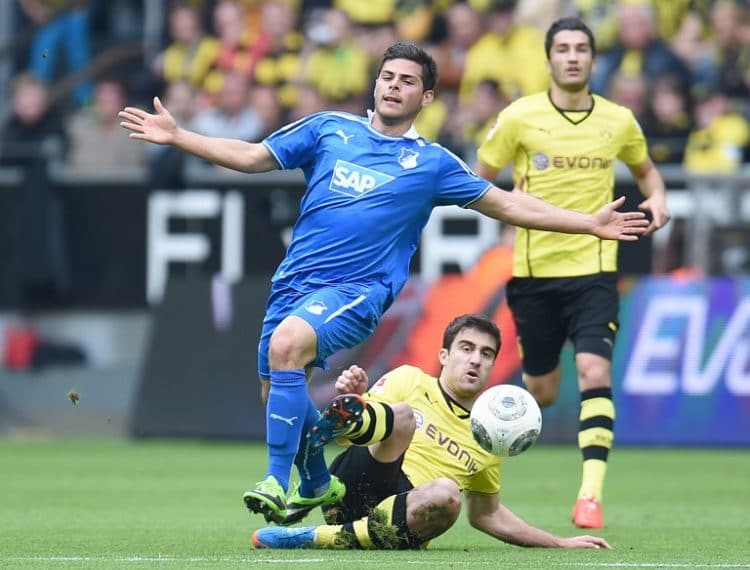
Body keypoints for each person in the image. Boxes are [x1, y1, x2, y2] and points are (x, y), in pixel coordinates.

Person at [119, 42, 648, 527]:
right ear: (375, 85)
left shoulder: (434, 164)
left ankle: (277, 484)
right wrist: (179, 136)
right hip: (294, 284)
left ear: (427, 95)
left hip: (359, 289)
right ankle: (318, 480)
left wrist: (587, 222)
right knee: (277, 389)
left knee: (287, 347)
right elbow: (256, 157)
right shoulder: (329, 129)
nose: (394, 86)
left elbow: (507, 202)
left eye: (407, 80)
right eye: (387, 76)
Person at [474, 18, 671, 529]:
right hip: (535, 273)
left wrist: (660, 197)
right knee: (540, 390)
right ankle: (479, 471)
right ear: (548, 60)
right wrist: (507, 215)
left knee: (594, 372)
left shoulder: (618, 121)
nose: (573, 57)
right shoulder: (519, 117)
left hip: (595, 271)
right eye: (562, 49)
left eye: (581, 48)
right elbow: (478, 182)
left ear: (592, 59)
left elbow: (646, 167)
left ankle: (589, 496)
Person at [251, 314, 612, 550]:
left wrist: (560, 543)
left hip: (404, 516)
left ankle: (313, 538)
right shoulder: (411, 379)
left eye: (486, 354)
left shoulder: (491, 435)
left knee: (447, 493)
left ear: (492, 365)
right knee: (404, 415)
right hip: (354, 486)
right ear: (444, 355)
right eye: (466, 349)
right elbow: (345, 443)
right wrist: (354, 402)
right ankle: (351, 415)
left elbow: (486, 514)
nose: (475, 359)